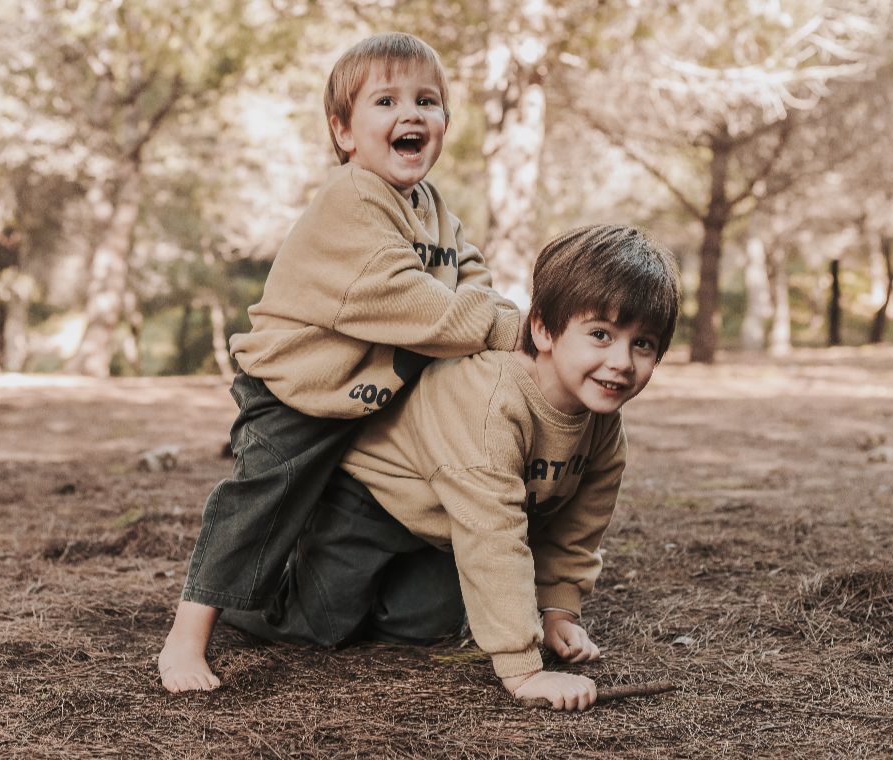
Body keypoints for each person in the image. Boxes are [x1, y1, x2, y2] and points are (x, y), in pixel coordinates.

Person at [158, 32, 521, 693]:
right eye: (385, 100)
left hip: (372, 395)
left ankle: (385, 590)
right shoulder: (351, 199)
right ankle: (188, 638)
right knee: (263, 503)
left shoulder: (433, 207)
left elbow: (473, 277)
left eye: (427, 101)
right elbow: (427, 311)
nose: (410, 113)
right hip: (298, 387)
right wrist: (513, 331)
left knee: (392, 505)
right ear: (344, 130)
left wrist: (482, 311)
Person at [222, 224, 681, 712]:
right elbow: (493, 532)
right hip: (371, 496)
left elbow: (577, 527)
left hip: (438, 525)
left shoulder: (603, 425)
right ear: (544, 329)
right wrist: (523, 671)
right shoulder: (492, 402)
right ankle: (243, 587)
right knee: (321, 624)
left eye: (643, 344)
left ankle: (385, 586)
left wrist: (558, 611)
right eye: (600, 335)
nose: (621, 362)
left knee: (425, 626)